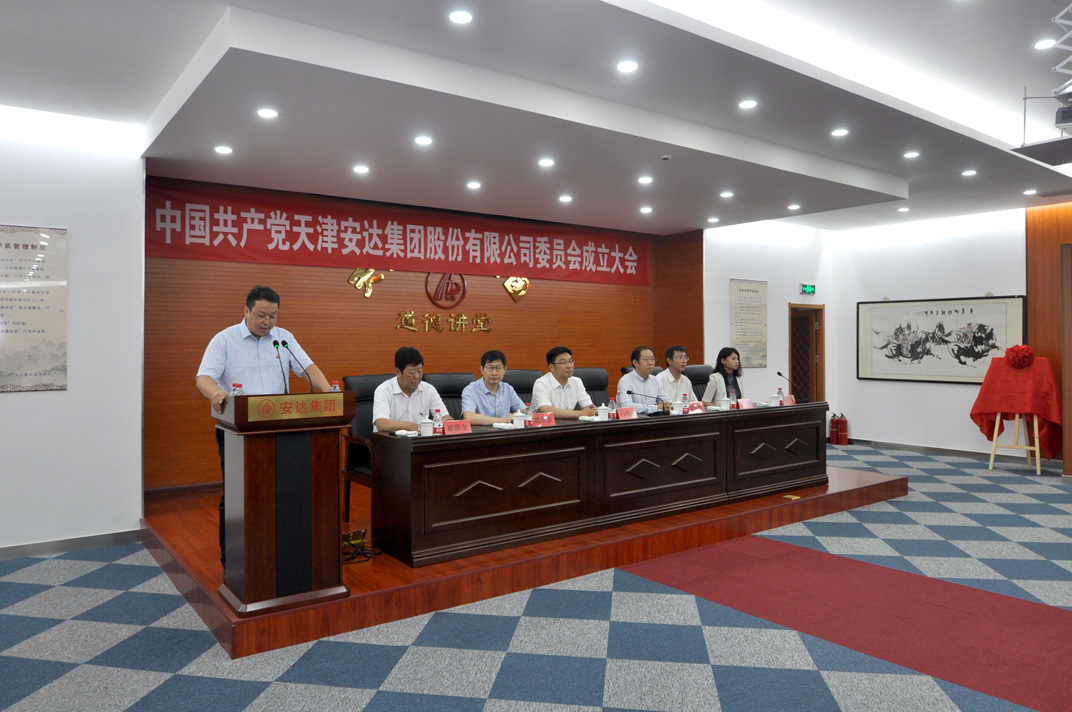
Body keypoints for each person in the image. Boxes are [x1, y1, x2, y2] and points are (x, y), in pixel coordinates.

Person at [196, 285, 332, 569]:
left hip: (281, 430)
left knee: (283, 493)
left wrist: (328, 391)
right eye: (261, 315)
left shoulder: (284, 339)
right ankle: (233, 563)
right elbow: (204, 377)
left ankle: (279, 556)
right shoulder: (224, 340)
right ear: (246, 311)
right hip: (238, 432)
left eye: (273, 316)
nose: (267, 321)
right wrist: (216, 392)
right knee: (237, 497)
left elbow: (308, 368)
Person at [372, 347, 451, 432]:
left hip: (420, 439)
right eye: (411, 372)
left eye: (419, 371)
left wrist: (448, 422)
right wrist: (411, 426)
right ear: (398, 372)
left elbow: (445, 417)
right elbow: (381, 424)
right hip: (391, 439)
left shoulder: (429, 389)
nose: (417, 376)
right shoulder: (384, 390)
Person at [531, 346, 598, 418]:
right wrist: (579, 413)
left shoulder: (577, 382)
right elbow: (546, 410)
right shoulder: (541, 383)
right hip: (544, 424)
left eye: (570, 361)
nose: (569, 366)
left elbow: (589, 407)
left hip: (568, 423)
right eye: (563, 362)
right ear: (552, 367)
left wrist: (596, 411)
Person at [461, 349, 525, 424]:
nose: (494, 373)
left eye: (498, 368)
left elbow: (524, 411)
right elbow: (469, 417)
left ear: (504, 370)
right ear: (482, 370)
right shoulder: (471, 390)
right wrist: (502, 421)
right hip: (481, 431)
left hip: (506, 431)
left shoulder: (508, 389)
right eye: (490, 368)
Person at [616, 345, 672, 414]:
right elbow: (627, 406)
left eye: (652, 359)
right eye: (646, 359)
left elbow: (665, 399)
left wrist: (668, 404)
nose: (651, 363)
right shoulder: (625, 381)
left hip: (652, 418)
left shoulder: (655, 380)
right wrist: (656, 408)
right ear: (635, 362)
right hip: (632, 419)